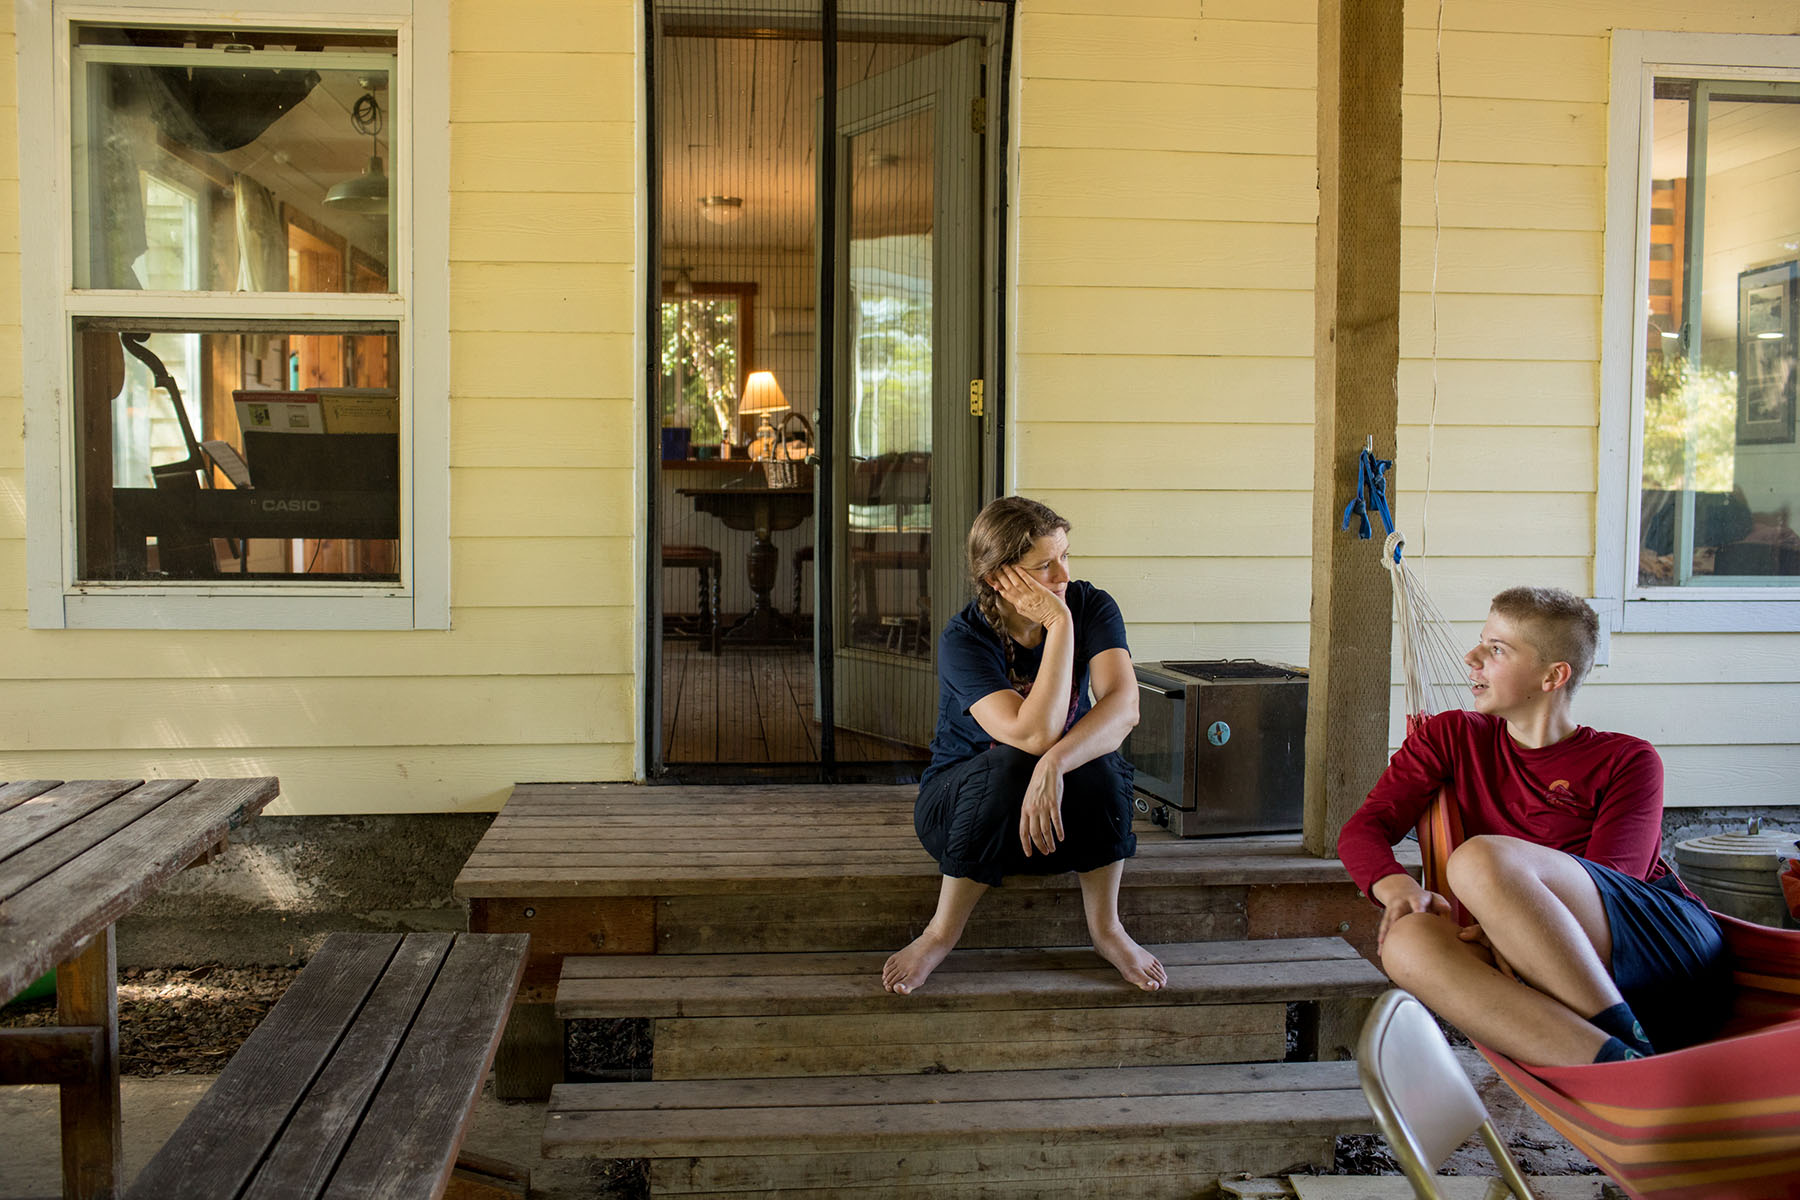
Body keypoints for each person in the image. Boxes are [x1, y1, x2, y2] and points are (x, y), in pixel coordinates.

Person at [1339, 586, 1731, 1066]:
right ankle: (1616, 1064)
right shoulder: (1452, 737)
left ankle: (1621, 1033)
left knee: (1479, 859)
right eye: (1481, 641)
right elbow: (1364, 828)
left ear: (1553, 676)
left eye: (1496, 649)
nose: (1472, 657)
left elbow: (1615, 882)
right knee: (1406, 944)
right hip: (1532, 961)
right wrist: (1397, 886)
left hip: (1658, 952)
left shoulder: (1626, 759)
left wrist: (1509, 924)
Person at [882, 496, 1167, 996]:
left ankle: (1107, 930)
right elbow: (1032, 734)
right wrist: (1059, 627)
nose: (1062, 574)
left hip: (1051, 817)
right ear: (1000, 578)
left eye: (1065, 556)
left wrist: (1057, 762)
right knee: (1014, 760)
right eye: (1044, 565)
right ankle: (939, 934)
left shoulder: (1092, 605)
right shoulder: (964, 638)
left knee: (1099, 762)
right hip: (962, 817)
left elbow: (1125, 708)